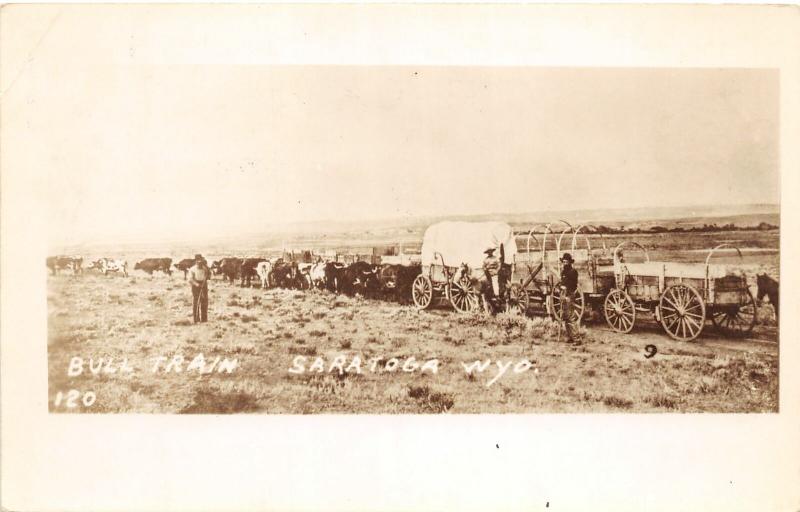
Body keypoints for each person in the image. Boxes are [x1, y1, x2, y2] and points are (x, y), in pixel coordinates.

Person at [557, 253, 582, 345]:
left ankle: (577, 339)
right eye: (563, 262)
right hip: (563, 295)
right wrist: (561, 287)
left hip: (569, 295)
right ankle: (570, 336)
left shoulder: (573, 272)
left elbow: (573, 285)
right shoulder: (563, 272)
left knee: (571, 317)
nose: (564, 264)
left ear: (570, 262)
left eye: (566, 262)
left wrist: (565, 288)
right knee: (566, 317)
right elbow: (561, 282)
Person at [188, 254, 211, 323]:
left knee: (204, 302)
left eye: (201, 260)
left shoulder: (205, 268)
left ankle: (204, 319)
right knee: (196, 302)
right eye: (198, 260)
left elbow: (209, 276)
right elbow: (190, 280)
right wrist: (197, 285)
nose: (199, 262)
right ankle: (196, 319)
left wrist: (207, 276)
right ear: (196, 261)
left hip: (204, 285)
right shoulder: (192, 269)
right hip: (195, 286)